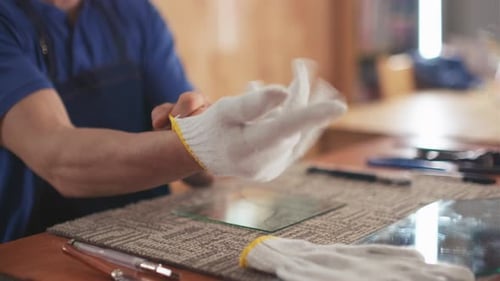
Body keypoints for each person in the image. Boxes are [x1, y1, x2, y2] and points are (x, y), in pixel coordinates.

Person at [0, 0, 346, 243]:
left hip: (149, 232)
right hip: (38, 244)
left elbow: (199, 170)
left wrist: (206, 132)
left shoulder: (135, 13)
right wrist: (204, 146)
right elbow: (60, 161)